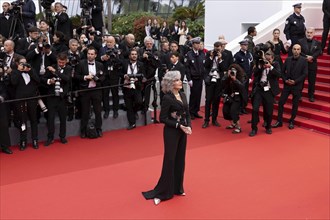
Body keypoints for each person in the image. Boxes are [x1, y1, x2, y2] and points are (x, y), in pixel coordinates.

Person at [142, 70, 192, 205]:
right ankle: (164, 191)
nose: (180, 82)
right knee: (170, 159)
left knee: (180, 159)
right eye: (177, 80)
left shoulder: (182, 94)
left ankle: (177, 188)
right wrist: (178, 125)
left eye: (180, 79)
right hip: (171, 132)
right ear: (170, 83)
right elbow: (163, 118)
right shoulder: (167, 98)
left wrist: (189, 126)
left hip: (183, 131)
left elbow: (187, 113)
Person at [272, 44, 308, 130]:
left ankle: (292, 121)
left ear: (300, 50)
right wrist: (285, 80)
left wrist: (295, 81)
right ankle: (279, 121)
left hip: (297, 86)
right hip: (287, 85)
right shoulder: (287, 60)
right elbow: (282, 72)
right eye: (294, 49)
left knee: (295, 105)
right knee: (280, 103)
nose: (296, 51)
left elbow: (305, 74)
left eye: (298, 49)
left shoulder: (304, 61)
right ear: (292, 50)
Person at [42, 53, 72, 146]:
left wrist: (55, 71)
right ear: (57, 60)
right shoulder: (52, 67)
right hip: (52, 97)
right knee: (50, 119)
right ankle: (50, 138)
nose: (61, 64)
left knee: (63, 119)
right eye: (60, 62)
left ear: (66, 60)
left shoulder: (68, 68)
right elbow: (42, 79)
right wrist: (49, 81)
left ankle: (62, 136)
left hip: (62, 98)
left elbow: (67, 79)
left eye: (63, 62)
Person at [10, 56, 40, 150]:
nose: (24, 65)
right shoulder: (15, 72)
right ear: (17, 64)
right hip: (20, 100)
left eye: (25, 63)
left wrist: (30, 71)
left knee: (33, 120)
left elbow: (38, 80)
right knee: (23, 121)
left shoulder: (31, 70)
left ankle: (35, 140)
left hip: (32, 99)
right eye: (22, 63)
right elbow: (13, 83)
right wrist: (19, 71)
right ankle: (23, 141)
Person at [75, 46, 105, 138]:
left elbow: (103, 77)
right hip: (85, 90)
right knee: (85, 111)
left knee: (98, 111)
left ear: (95, 55)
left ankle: (99, 129)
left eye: (92, 54)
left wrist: (97, 79)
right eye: (88, 54)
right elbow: (76, 76)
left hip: (96, 90)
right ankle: (83, 131)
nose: (90, 56)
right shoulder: (81, 63)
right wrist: (85, 77)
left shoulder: (100, 65)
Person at [249, 51, 281, 137]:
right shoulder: (260, 63)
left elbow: (279, 74)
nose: (267, 61)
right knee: (255, 109)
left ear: (272, 59)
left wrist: (270, 67)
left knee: (269, 111)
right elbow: (254, 74)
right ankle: (254, 128)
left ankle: (268, 127)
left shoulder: (276, 64)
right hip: (259, 89)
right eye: (266, 59)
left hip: (269, 90)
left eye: (269, 60)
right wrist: (260, 67)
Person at [121, 49, 145, 130]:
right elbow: (119, 73)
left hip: (136, 87)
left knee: (139, 102)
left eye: (135, 54)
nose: (134, 55)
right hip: (126, 87)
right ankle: (132, 123)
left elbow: (143, 75)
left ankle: (134, 111)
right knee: (129, 106)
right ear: (129, 56)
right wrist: (124, 76)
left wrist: (138, 79)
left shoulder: (141, 64)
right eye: (132, 54)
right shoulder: (124, 63)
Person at [98, 36, 121, 119]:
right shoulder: (102, 49)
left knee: (115, 94)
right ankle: (106, 110)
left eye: (111, 42)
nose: (109, 44)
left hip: (114, 75)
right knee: (105, 94)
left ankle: (115, 110)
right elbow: (98, 59)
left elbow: (120, 62)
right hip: (105, 75)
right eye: (108, 42)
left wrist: (115, 57)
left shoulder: (118, 50)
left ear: (114, 42)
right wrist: (103, 58)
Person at [202, 41, 224, 128]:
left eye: (218, 48)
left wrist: (220, 59)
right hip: (210, 80)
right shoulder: (209, 53)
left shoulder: (225, 55)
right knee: (208, 100)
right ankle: (206, 120)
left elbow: (225, 68)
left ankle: (214, 120)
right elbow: (205, 65)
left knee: (216, 100)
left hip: (218, 80)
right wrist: (211, 57)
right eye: (215, 47)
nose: (217, 50)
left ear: (221, 47)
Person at [298, 27, 322, 102]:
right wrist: (306, 57)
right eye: (308, 32)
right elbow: (299, 51)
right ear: (305, 32)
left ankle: (311, 95)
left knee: (312, 81)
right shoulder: (300, 41)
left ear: (314, 33)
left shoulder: (317, 43)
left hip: (312, 64)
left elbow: (319, 52)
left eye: (311, 32)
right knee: (300, 81)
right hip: (302, 65)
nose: (309, 34)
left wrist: (312, 57)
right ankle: (298, 96)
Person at [222, 64, 247, 134]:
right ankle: (233, 123)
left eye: (234, 70)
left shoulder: (242, 77)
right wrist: (227, 76)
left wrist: (235, 79)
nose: (233, 72)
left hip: (238, 97)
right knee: (225, 111)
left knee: (234, 111)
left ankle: (238, 127)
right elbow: (222, 83)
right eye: (231, 70)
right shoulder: (228, 77)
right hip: (229, 96)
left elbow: (242, 87)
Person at [185, 37, 205, 120]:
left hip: (200, 77)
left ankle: (196, 111)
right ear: (193, 45)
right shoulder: (189, 54)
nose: (198, 45)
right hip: (193, 78)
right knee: (193, 95)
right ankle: (191, 111)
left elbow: (203, 66)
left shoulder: (201, 54)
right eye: (196, 44)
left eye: (199, 43)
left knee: (198, 95)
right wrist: (189, 79)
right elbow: (187, 68)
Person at [233, 39, 253, 114]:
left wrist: (250, 76)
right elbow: (235, 66)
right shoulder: (237, 55)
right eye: (244, 45)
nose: (246, 46)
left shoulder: (249, 54)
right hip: (240, 77)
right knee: (239, 93)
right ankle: (238, 108)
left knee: (245, 93)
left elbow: (251, 66)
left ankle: (243, 107)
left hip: (247, 77)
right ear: (241, 45)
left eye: (247, 45)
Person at [0, 71, 12, 154]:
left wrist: (2, 96)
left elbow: (4, 90)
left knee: (4, 126)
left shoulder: (1, 80)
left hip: (1, 105)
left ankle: (5, 146)